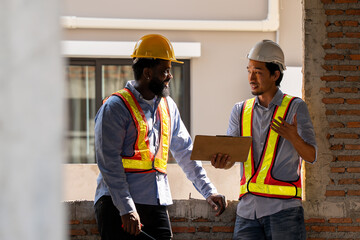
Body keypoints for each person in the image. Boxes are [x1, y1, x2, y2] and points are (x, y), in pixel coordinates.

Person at [94, 34, 227, 240]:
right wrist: (126, 208)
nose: (169, 76)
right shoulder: (116, 107)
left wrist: (209, 191)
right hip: (116, 205)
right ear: (147, 73)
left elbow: (185, 152)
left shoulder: (168, 107)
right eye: (165, 70)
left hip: (155, 202)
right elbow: (108, 162)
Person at [211, 40, 317, 240]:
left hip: (284, 212)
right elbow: (232, 157)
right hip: (247, 213)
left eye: (258, 71)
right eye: (249, 70)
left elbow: (311, 156)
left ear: (275, 75)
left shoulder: (295, 108)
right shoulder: (240, 110)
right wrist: (222, 162)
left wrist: (294, 137)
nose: (251, 77)